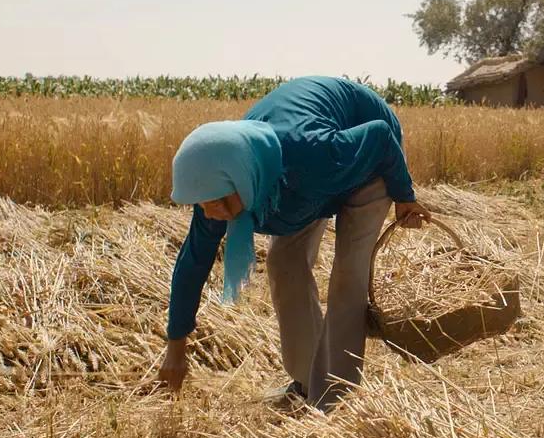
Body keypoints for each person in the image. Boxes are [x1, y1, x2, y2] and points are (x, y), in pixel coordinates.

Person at [158, 76, 430, 412]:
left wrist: (405, 197)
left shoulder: (312, 154)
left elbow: (379, 137)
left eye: (214, 200)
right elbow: (192, 264)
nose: (210, 211)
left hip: (368, 161)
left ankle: (335, 399)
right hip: (297, 185)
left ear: (240, 176)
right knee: (284, 263)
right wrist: (175, 348)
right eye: (201, 203)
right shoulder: (222, 186)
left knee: (348, 274)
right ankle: (306, 383)